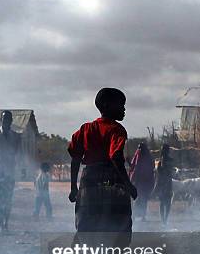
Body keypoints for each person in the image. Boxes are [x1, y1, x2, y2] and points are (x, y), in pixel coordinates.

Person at [68, 88, 137, 240]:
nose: (124, 108)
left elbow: (75, 158)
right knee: (119, 225)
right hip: (112, 180)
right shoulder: (117, 130)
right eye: (120, 104)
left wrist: (74, 187)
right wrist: (128, 185)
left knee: (86, 225)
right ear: (106, 106)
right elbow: (115, 157)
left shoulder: (85, 129)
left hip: (89, 181)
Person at [129, 142, 155, 221]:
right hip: (139, 182)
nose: (139, 150)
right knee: (138, 199)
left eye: (140, 148)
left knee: (142, 199)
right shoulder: (139, 155)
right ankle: (135, 215)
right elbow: (134, 167)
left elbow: (149, 168)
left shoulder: (146, 157)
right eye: (139, 148)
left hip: (144, 182)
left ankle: (141, 216)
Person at [153, 144, 174, 225]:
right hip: (166, 183)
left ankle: (164, 220)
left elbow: (161, 172)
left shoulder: (161, 161)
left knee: (163, 202)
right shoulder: (168, 160)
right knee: (166, 202)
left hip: (163, 183)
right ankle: (164, 219)